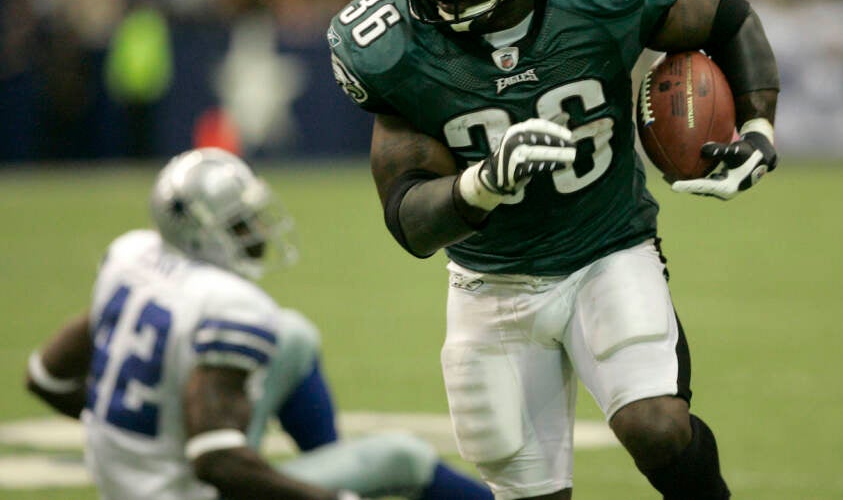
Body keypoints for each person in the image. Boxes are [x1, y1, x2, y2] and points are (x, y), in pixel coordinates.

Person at [326, 0, 779, 500]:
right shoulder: (391, 44)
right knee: (528, 488)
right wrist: (481, 183)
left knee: (656, 425)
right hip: (491, 281)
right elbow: (408, 218)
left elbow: (729, 19)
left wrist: (760, 127)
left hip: (608, 247)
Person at [25, 147, 493, 500]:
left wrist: (127, 435)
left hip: (137, 476)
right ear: (199, 232)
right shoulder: (229, 304)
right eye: (239, 223)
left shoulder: (133, 256)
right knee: (401, 457)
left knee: (292, 335)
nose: (255, 232)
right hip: (185, 488)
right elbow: (216, 462)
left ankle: (323, 458)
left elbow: (44, 376)